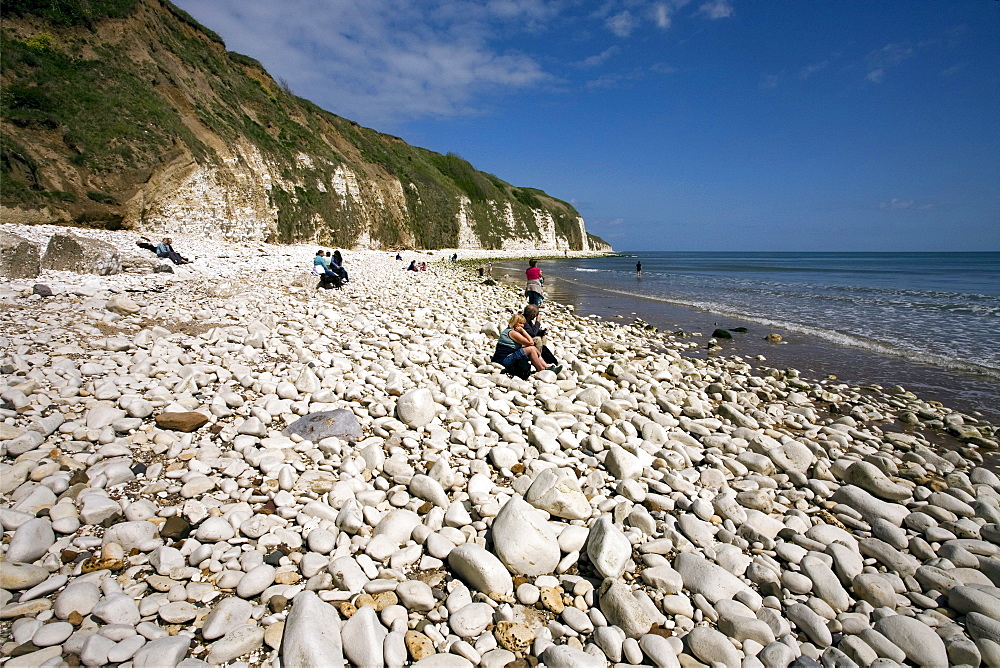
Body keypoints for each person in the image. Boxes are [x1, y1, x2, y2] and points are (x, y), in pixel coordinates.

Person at [492, 313, 561, 378]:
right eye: (520, 323)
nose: (522, 326)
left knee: (532, 348)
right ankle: (541, 369)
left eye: (523, 324)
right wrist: (523, 331)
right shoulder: (512, 333)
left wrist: (535, 350)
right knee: (531, 348)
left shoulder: (509, 331)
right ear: (514, 323)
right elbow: (531, 342)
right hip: (504, 359)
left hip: (507, 355)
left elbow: (517, 346)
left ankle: (546, 367)